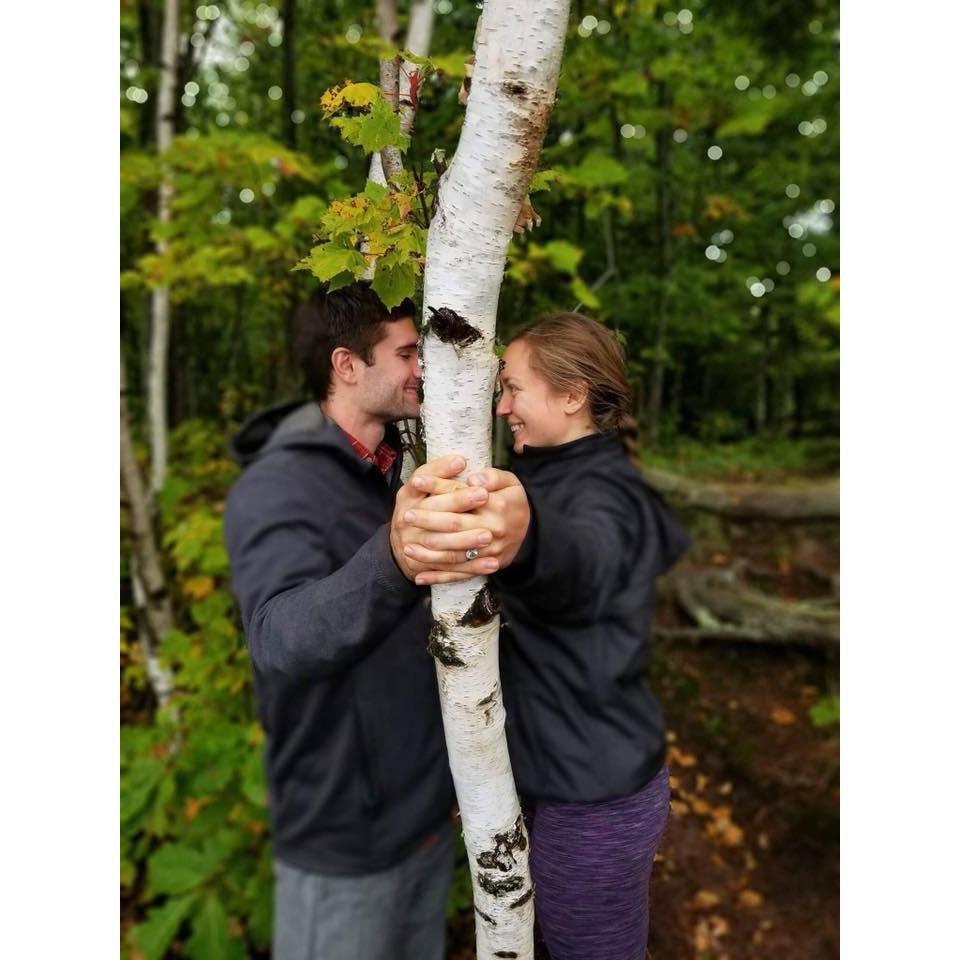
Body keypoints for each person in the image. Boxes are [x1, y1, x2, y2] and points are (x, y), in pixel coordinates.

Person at [223, 282, 527, 960]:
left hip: (423, 822)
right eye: (409, 353)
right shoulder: (278, 486)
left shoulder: (400, 468)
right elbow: (280, 638)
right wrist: (394, 554)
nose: (426, 369)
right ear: (346, 366)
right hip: (343, 843)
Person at [403, 312, 689, 959]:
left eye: (513, 389)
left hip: (597, 797)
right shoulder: (547, 477)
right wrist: (482, 776)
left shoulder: (606, 493)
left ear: (571, 396)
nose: (501, 407)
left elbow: (584, 563)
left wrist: (526, 540)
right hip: (550, 777)